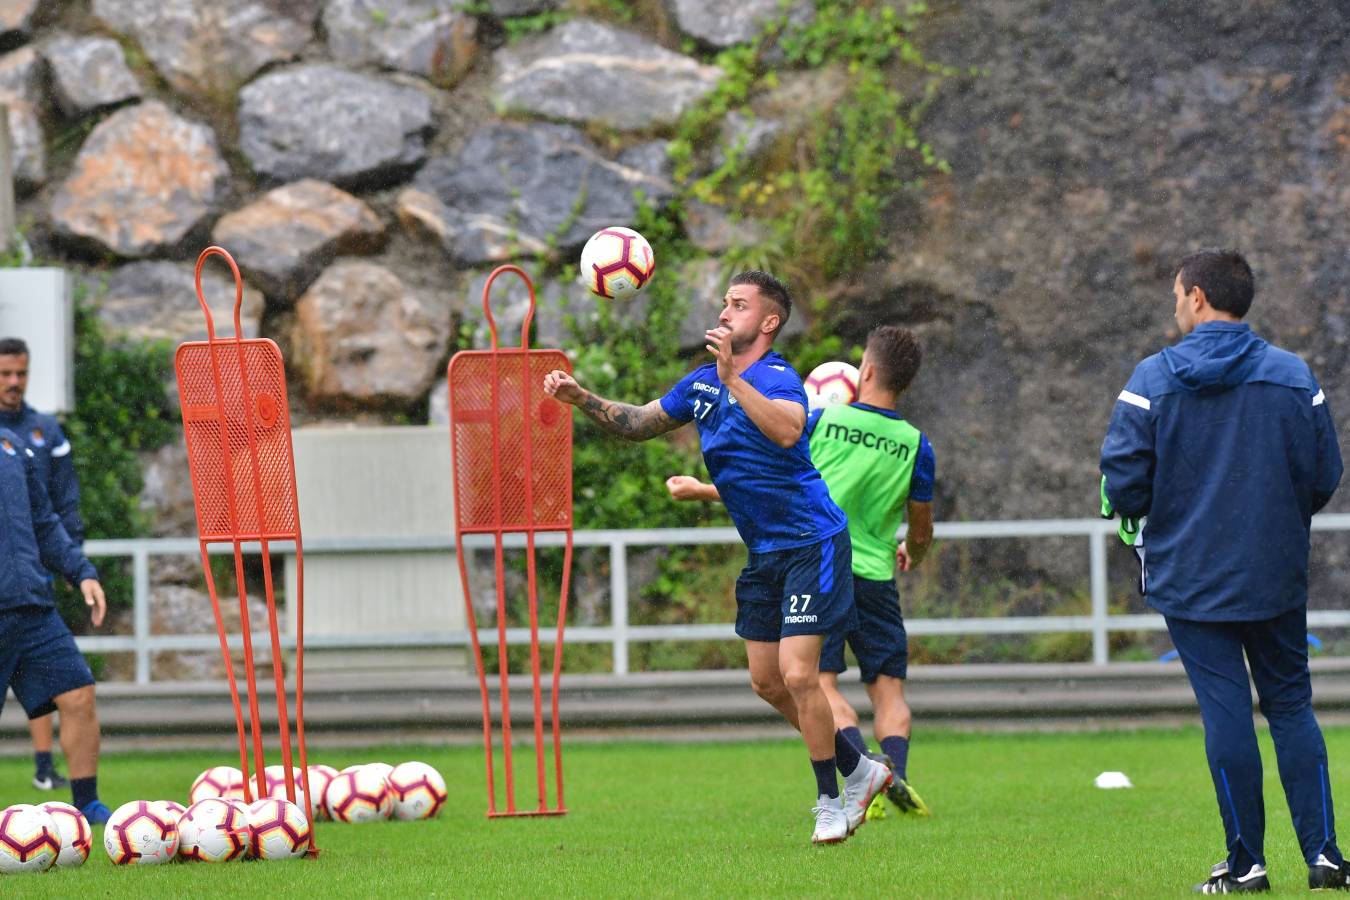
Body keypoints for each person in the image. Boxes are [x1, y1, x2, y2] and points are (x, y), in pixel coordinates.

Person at [543, 271, 892, 844]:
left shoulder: (778, 378)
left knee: (800, 673)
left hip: (814, 544)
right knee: (766, 682)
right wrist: (581, 398)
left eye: (739, 305)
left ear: (769, 322)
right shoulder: (703, 384)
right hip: (765, 556)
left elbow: (787, 431)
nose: (725, 312)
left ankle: (832, 800)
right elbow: (640, 422)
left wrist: (734, 377)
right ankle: (860, 768)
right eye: (724, 303)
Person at [1100, 249, 1344, 894]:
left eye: (1178, 296)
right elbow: (1326, 475)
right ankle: (1325, 858)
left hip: (1190, 576)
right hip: (1275, 573)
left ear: (1199, 296)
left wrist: (1147, 510)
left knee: (1226, 713)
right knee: (1292, 707)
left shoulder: (1150, 379)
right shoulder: (1294, 375)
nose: (1176, 307)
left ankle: (1246, 864)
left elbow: (1121, 481)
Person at [667, 325, 934, 819]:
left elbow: (776, 483)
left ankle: (861, 777)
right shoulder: (916, 445)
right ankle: (894, 773)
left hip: (818, 560)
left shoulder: (823, 420)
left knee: (818, 684)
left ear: (866, 372)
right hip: (875, 574)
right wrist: (912, 553)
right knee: (889, 690)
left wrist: (702, 490)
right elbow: (920, 527)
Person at [0, 421, 111, 823]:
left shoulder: (11, 446)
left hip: (32, 606)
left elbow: (45, 522)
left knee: (78, 693)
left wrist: (81, 571)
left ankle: (87, 805)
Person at [0, 337, 86, 793]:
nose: (14, 382)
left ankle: (54, 772)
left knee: (61, 680)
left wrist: (76, 563)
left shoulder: (41, 432)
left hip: (39, 570)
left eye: (21, 373)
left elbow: (58, 506)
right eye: (5, 374)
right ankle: (41, 762)